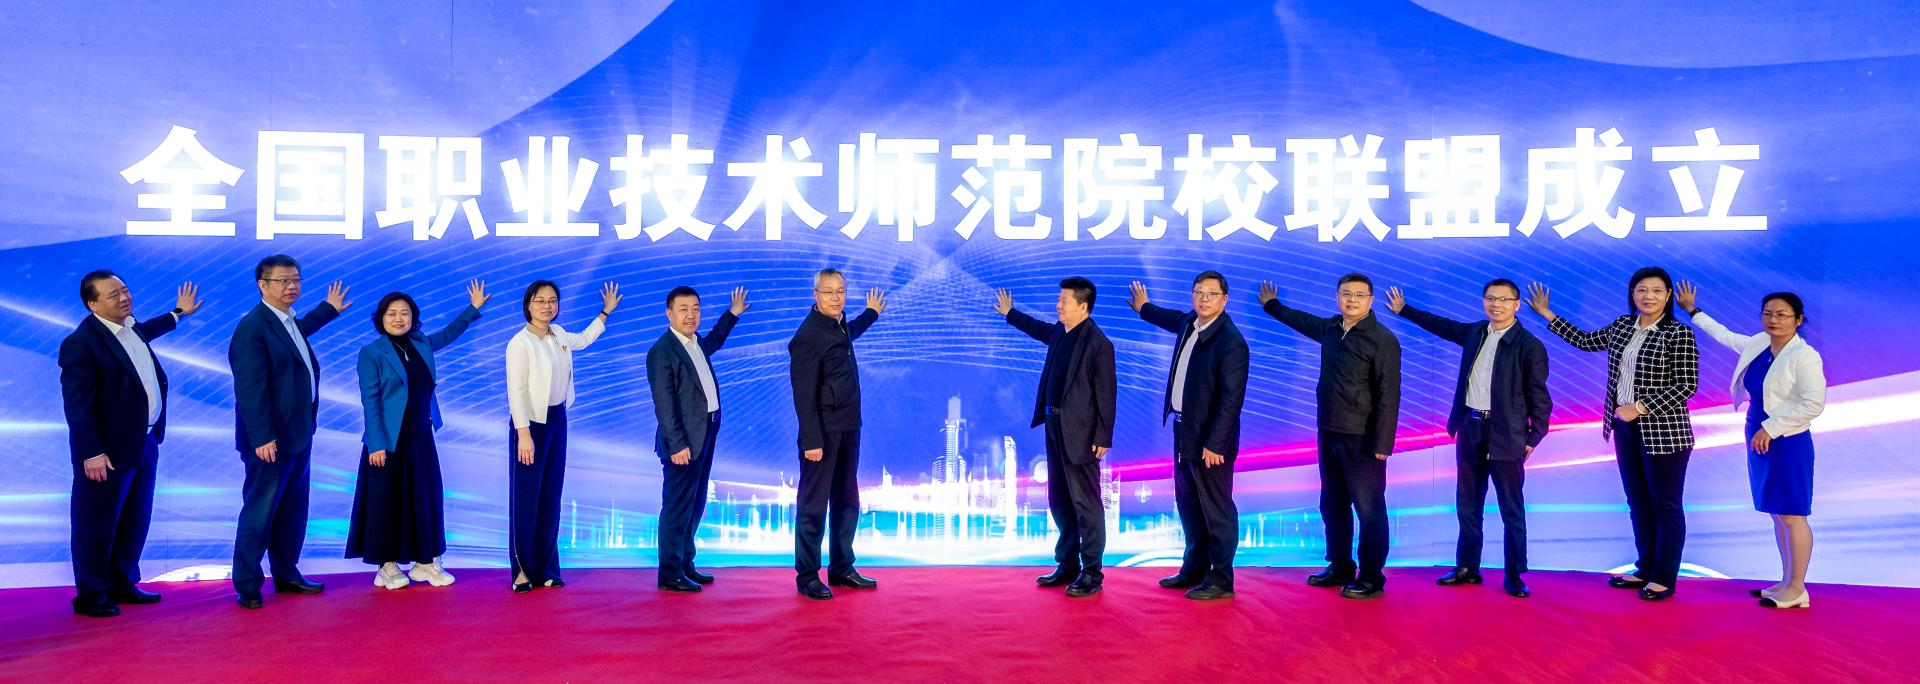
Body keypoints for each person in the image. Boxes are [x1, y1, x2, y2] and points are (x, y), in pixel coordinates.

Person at [1528, 267, 1698, 601]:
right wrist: (1547, 313)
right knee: (1638, 502)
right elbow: (1585, 341)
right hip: (1624, 428)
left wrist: (1641, 407)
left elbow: (1687, 385)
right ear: (1632, 294)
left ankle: (1664, 577)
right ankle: (1645, 568)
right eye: (1641, 290)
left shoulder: (1678, 333)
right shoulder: (1622, 326)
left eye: (1656, 290)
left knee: (1665, 505)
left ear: (1668, 296)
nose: (1648, 296)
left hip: (1665, 432)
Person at [1386, 280, 1550, 598]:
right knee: (1467, 503)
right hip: (1471, 427)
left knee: (1511, 509)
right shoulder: (1476, 332)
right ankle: (1467, 567)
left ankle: (1515, 575)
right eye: (1490, 298)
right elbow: (1442, 326)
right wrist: (1404, 310)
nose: (1496, 304)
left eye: (1504, 299)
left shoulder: (1529, 345)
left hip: (1507, 434)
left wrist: (1533, 438)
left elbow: (1540, 398)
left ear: (1516, 305)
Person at [58, 272, 201, 617]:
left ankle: (122, 583)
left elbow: (148, 330)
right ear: (93, 305)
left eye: (124, 290)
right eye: (113, 295)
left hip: (144, 441)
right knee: (96, 524)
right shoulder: (80, 344)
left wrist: (177, 314)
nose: (124, 298)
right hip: (105, 452)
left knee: (134, 518)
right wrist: (91, 452)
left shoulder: (130, 328)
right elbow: (77, 406)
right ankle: (92, 595)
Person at [1678, 283, 1824, 609]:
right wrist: (1693, 311)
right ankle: (1787, 582)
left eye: (1782, 315)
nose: (1774, 320)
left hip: (1787, 440)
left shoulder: (1805, 356)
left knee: (1793, 513)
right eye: (1768, 313)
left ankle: (1798, 588)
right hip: (1757, 434)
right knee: (1777, 513)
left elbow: (1813, 404)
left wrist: (1771, 429)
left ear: (1798, 319)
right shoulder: (1759, 343)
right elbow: (1725, 336)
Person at [1259, 274, 1402, 600]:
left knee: (1369, 509)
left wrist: (1383, 442)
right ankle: (1340, 565)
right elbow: (1301, 320)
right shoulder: (1331, 329)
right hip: (1328, 430)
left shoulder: (1382, 339)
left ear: (1370, 300)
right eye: (1346, 293)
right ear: (1337, 296)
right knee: (1332, 504)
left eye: (1359, 295)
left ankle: (1371, 576)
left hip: (1363, 438)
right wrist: (1272, 306)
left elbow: (1389, 394)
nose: (1352, 300)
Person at [346, 281, 489, 590]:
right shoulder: (371, 353)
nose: (398, 319)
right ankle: (387, 565)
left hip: (421, 435)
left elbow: (448, 334)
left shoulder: (420, 342)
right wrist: (377, 443)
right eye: (392, 314)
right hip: (387, 440)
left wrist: (473, 309)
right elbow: (370, 400)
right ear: (381, 318)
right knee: (387, 502)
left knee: (424, 496)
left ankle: (425, 562)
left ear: (413, 318)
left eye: (405, 313)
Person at [229, 254, 351, 609]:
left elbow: (300, 333)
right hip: (270, 441)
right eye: (282, 281)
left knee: (292, 511)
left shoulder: (286, 321)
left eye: (295, 279)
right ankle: (248, 584)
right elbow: (250, 390)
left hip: (297, 434)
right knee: (260, 512)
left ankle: (286, 573)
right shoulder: (253, 328)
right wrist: (262, 437)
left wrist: (328, 309)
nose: (291, 286)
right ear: (262, 285)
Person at [1129, 271, 1249, 601]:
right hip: (1183, 430)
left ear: (1225, 299)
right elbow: (1169, 318)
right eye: (1199, 292)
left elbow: (1231, 400)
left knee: (1217, 508)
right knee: (1189, 503)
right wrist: (1144, 307)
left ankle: (1221, 579)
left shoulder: (1231, 342)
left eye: (1212, 294)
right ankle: (1194, 568)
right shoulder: (1189, 323)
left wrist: (1215, 443)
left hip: (1211, 439)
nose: (1204, 299)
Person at [994, 277, 1117, 598]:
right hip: (1055, 425)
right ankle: (1068, 564)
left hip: (1082, 434)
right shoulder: (1061, 332)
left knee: (1086, 504)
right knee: (1060, 500)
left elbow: (1107, 395)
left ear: (1083, 306)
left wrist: (1103, 435)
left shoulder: (1098, 344)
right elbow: (1038, 329)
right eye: (1059, 300)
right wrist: (1010, 313)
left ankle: (1092, 572)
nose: (1058, 306)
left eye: (1064, 301)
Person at [505, 280, 621, 593]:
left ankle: (546, 568)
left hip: (557, 420)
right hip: (530, 425)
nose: (547, 306)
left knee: (550, 495)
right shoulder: (520, 343)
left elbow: (583, 339)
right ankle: (521, 570)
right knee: (526, 498)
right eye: (540, 300)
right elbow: (516, 392)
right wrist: (523, 434)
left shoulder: (558, 334)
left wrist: (605, 312)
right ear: (528, 305)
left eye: (552, 300)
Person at [787, 268, 885, 600]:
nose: (835, 297)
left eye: (840, 291)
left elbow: (848, 334)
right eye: (828, 292)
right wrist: (811, 440)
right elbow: (803, 395)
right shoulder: (808, 335)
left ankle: (842, 568)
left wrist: (871, 313)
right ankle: (807, 576)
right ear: (815, 295)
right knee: (813, 506)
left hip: (848, 426)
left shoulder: (837, 324)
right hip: (822, 435)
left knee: (846, 502)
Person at [645, 285, 748, 593]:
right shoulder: (662, 351)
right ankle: (670, 573)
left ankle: (685, 563)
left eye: (695, 309)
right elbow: (664, 405)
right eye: (683, 309)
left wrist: (732, 314)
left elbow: (715, 339)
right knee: (677, 506)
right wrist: (677, 445)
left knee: (695, 502)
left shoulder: (695, 342)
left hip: (705, 433)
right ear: (669, 314)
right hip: (683, 442)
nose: (690, 315)